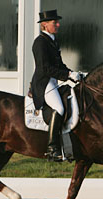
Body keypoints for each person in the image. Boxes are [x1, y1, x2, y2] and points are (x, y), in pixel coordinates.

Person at [30, 9, 80, 162]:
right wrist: (67, 76)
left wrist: (72, 73)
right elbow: (45, 68)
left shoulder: (52, 41)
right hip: (43, 82)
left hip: (52, 81)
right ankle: (52, 148)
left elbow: (59, 64)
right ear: (44, 25)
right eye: (54, 22)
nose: (58, 24)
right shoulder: (40, 42)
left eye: (57, 22)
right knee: (59, 108)